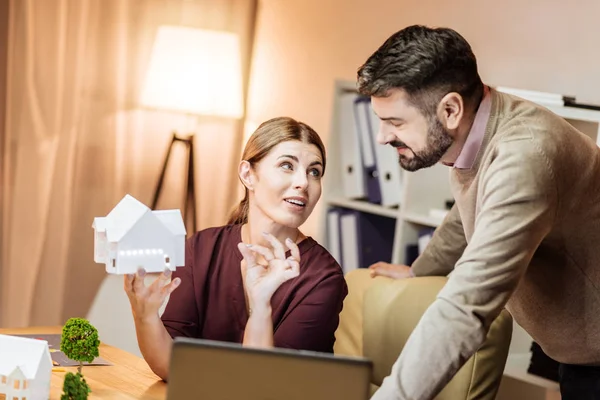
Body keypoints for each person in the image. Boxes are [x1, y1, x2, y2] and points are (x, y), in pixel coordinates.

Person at [358, 25, 600, 400]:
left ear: (450, 110)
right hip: (578, 353)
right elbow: (467, 210)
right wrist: (421, 270)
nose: (382, 137)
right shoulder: (484, 128)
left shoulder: (524, 156)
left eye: (395, 122)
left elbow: (464, 308)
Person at [124, 116, 348, 381]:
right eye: (287, 165)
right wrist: (145, 316)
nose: (304, 182)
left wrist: (261, 305)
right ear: (248, 175)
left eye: (315, 171)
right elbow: (174, 368)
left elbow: (266, 388)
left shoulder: (323, 278)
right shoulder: (201, 249)